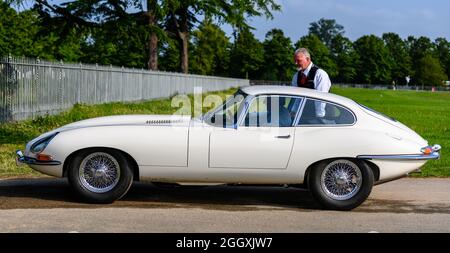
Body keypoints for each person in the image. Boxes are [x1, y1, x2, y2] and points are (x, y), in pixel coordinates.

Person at [291, 48, 332, 119]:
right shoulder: (296, 76)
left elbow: (321, 99)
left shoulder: (320, 74)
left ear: (307, 59)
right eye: (295, 60)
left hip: (322, 117)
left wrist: (319, 117)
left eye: (298, 60)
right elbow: (296, 98)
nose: (296, 63)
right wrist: (293, 112)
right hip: (304, 116)